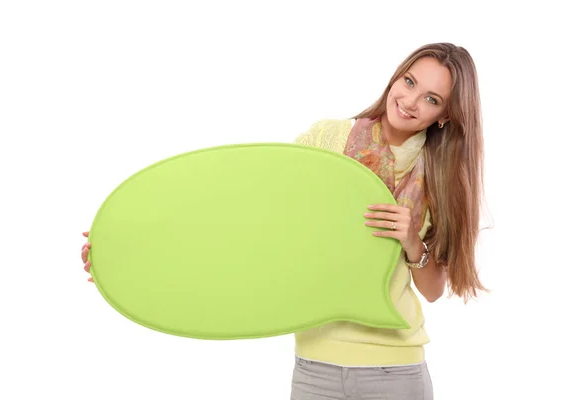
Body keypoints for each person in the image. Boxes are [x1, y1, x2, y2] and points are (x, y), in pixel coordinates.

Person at [81, 42, 486, 400]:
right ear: (396, 77)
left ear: (446, 116)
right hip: (315, 367)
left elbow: (433, 290)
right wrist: (124, 247)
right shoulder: (329, 140)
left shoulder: (441, 179)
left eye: (433, 99)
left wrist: (413, 241)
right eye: (410, 82)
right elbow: (253, 215)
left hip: (395, 372)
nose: (411, 101)